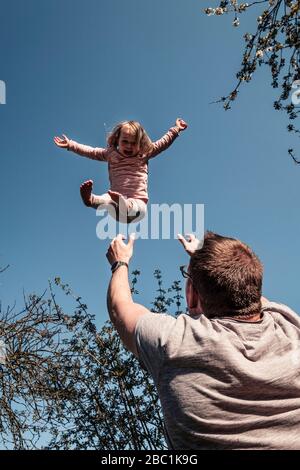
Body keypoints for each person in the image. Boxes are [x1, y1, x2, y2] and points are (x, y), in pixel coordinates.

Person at [106, 231, 300, 450]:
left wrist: (119, 262)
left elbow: (120, 308)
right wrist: (203, 267)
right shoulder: (291, 327)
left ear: (192, 296)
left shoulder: (174, 342)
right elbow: (249, 294)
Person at [54, 118, 188, 223]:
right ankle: (90, 200)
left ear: (140, 143)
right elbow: (90, 151)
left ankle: (126, 205)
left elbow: (163, 142)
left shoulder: (144, 154)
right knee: (106, 200)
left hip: (137, 205)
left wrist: (176, 129)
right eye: (125, 141)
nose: (129, 146)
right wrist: (71, 145)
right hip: (116, 206)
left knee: (138, 208)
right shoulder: (111, 154)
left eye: (134, 143)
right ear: (117, 140)